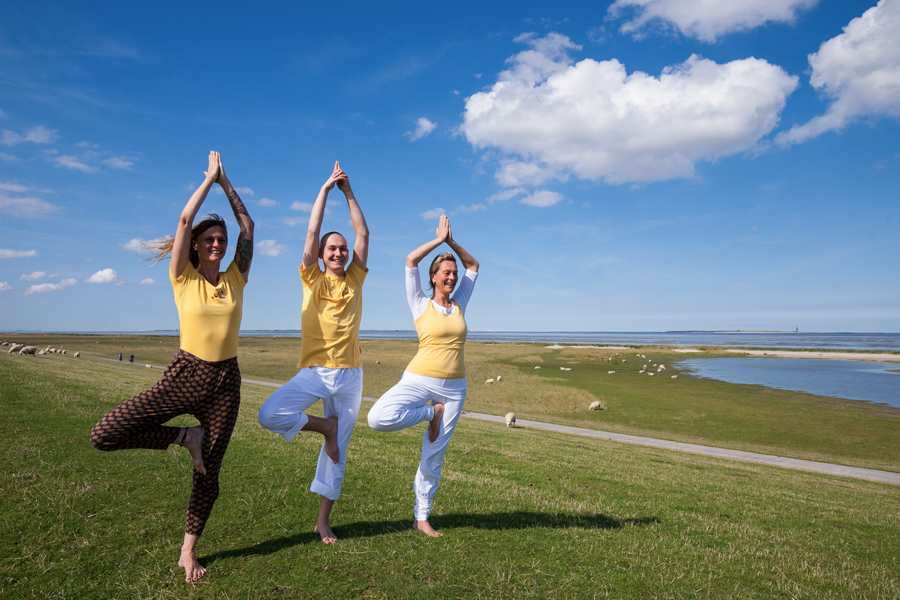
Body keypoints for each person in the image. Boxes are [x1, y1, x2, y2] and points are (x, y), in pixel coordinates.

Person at [90, 151, 253, 582]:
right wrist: (208, 181)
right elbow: (183, 222)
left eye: (220, 238)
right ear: (197, 246)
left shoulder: (236, 277)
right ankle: (185, 436)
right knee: (104, 434)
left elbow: (248, 228)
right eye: (210, 239)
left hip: (226, 382)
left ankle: (188, 550)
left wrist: (227, 184)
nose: (217, 243)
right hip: (186, 374)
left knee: (210, 471)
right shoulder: (183, 277)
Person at [257, 161, 368, 544]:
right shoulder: (312, 277)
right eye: (331, 249)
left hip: (351, 374)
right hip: (315, 371)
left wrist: (348, 191)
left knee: (338, 455)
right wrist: (324, 189)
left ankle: (323, 521)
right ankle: (325, 428)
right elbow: (311, 230)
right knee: (270, 414)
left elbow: (363, 232)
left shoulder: (354, 277)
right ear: (321, 255)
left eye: (342, 249)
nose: (338, 253)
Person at [367, 214, 478, 537]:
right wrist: (439, 241)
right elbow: (410, 260)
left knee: (434, 455)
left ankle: (422, 516)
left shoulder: (460, 303)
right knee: (378, 417)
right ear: (433, 277)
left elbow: (474, 265)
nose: (452, 277)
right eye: (446, 272)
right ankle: (431, 413)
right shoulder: (419, 303)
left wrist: (453, 244)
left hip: (455, 388)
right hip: (419, 378)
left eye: (454, 273)